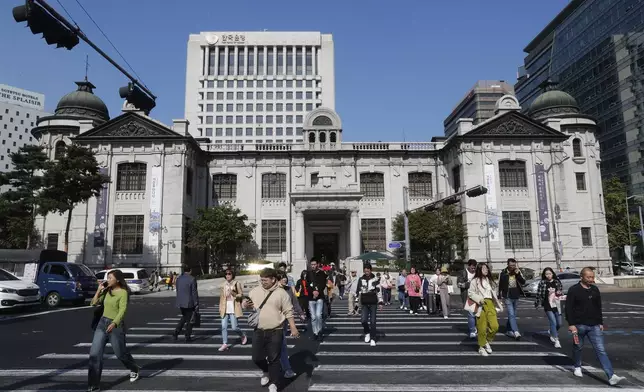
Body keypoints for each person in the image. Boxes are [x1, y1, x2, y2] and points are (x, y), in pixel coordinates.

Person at [242, 268, 300, 392]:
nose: (263, 282)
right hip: (259, 330)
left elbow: (288, 311)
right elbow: (247, 304)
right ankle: (265, 371)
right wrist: (245, 305)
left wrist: (293, 327)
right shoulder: (255, 291)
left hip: (276, 330)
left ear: (273, 279)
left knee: (274, 358)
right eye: (261, 280)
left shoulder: (281, 293)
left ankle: (273, 383)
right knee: (256, 358)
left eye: (265, 280)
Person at [566, 267, 625, 385]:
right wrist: (571, 324)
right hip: (579, 325)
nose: (591, 279)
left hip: (594, 326)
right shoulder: (574, 290)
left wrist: (600, 322)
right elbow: (568, 308)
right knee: (578, 347)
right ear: (581, 277)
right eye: (588, 277)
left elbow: (598, 307)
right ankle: (577, 366)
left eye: (592, 277)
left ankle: (611, 376)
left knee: (601, 350)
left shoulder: (594, 289)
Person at [87, 270, 140, 392]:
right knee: (94, 355)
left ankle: (134, 368)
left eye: (110, 278)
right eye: (107, 278)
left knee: (120, 354)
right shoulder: (106, 291)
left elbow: (123, 310)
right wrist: (98, 290)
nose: (107, 280)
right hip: (102, 323)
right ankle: (93, 386)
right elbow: (93, 303)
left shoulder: (123, 293)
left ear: (117, 280)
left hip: (116, 326)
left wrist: (114, 323)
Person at [468, 263, 503, 357]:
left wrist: (498, 303)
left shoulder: (489, 280)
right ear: (479, 269)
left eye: (487, 268)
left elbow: (493, 293)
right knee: (482, 327)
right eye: (484, 268)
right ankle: (481, 347)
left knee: (495, 326)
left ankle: (486, 341)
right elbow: (470, 293)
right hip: (480, 304)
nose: (486, 270)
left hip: (490, 304)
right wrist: (480, 299)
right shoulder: (474, 281)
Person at [218, 269, 248, 351]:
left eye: (229, 274)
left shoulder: (236, 283)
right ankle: (225, 343)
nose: (227, 275)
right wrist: (220, 307)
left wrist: (233, 293)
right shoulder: (223, 285)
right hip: (224, 308)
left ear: (232, 275)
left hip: (234, 308)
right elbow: (221, 298)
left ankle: (242, 335)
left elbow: (241, 295)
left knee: (234, 327)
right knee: (223, 327)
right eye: (226, 274)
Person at [534, 267, 563, 348]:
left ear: (552, 274)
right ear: (544, 275)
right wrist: (537, 303)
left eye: (549, 274)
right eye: (546, 274)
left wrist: (559, 292)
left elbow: (561, 291)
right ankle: (556, 340)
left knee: (559, 323)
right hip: (547, 305)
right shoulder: (542, 282)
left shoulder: (557, 282)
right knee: (553, 322)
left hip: (557, 305)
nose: (548, 275)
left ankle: (552, 331)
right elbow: (538, 294)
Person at [356, 263, 383, 346]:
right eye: (365, 270)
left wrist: (380, 302)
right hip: (364, 302)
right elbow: (358, 291)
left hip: (373, 302)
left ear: (370, 270)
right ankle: (367, 332)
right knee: (363, 320)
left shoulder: (375, 279)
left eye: (368, 270)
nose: (366, 272)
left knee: (373, 321)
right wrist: (357, 302)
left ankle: (373, 338)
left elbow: (378, 290)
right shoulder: (361, 279)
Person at [498, 258, 526, 339]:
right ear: (508, 265)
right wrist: (499, 296)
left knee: (513, 314)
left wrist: (517, 274)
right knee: (511, 314)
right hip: (507, 296)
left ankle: (508, 330)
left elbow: (523, 282)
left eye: (514, 265)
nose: (512, 267)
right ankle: (516, 331)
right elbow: (500, 284)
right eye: (511, 265)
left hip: (516, 295)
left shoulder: (518, 271)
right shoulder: (503, 272)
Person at [173, 266, 199, 342]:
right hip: (189, 302)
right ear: (190, 270)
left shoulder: (179, 279)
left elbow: (177, 290)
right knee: (190, 320)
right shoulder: (192, 279)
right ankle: (187, 336)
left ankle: (176, 332)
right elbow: (194, 292)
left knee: (185, 317)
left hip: (181, 302)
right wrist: (196, 303)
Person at [306, 259, 328, 341]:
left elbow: (323, 284)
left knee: (319, 315)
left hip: (320, 297)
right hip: (311, 298)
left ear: (317, 265)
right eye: (312, 264)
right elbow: (307, 285)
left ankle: (319, 331)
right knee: (313, 317)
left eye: (314, 264)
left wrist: (317, 291)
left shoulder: (322, 273)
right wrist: (313, 291)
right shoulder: (308, 274)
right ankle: (315, 332)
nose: (313, 266)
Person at [458, 259, 478, 338]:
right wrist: (470, 283)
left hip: (477, 295)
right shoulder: (463, 272)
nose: (473, 269)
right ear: (468, 266)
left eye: (474, 268)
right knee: (471, 313)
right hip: (467, 295)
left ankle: (475, 327)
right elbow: (460, 284)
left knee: (476, 313)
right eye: (472, 268)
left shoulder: (477, 273)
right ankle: (472, 330)